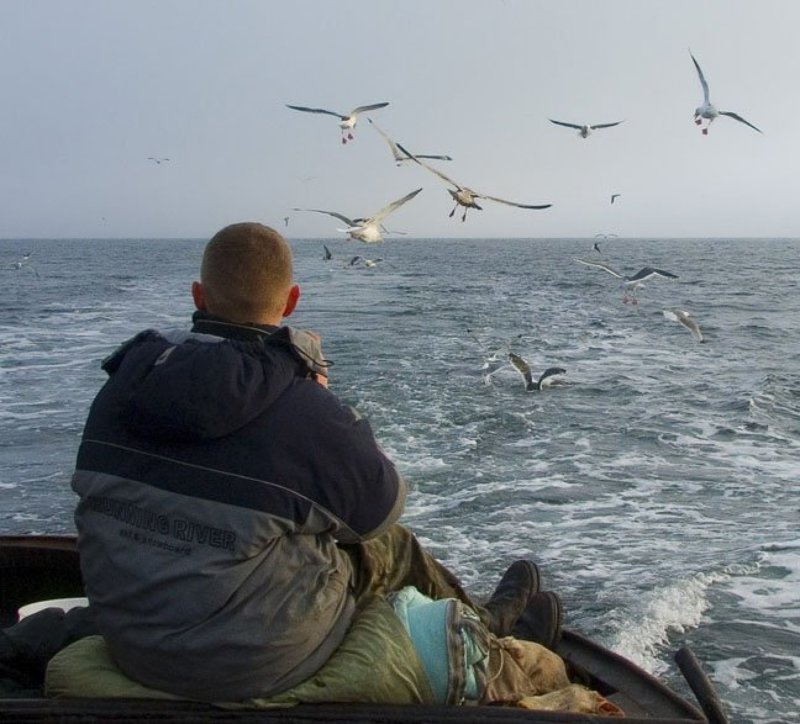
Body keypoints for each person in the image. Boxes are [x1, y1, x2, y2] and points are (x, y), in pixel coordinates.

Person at [71, 222, 557, 702]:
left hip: (132, 644)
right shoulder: (302, 408)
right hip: (257, 663)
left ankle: (486, 623)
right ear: (290, 302)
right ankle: (486, 636)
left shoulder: (120, 389)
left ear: (198, 296)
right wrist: (326, 405)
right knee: (388, 544)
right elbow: (383, 510)